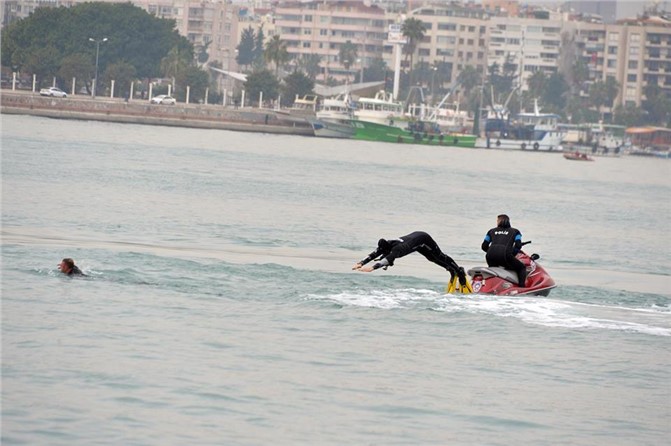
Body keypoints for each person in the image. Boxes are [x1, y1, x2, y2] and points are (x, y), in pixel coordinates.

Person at [352, 231, 467, 285]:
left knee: (438, 256)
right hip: (416, 243)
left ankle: (459, 271)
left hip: (423, 239)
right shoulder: (385, 245)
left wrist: (372, 268)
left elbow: (387, 259)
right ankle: (451, 270)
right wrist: (361, 263)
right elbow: (374, 254)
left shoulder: (397, 249)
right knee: (431, 259)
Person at [481, 214, 526, 287]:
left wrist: (492, 252)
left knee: (493, 272)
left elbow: (484, 246)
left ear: (499, 221)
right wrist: (512, 254)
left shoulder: (491, 231)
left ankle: (490, 286)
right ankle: (522, 287)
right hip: (505, 256)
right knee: (522, 268)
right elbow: (518, 245)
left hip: (490, 256)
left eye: (497, 220)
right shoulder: (516, 232)